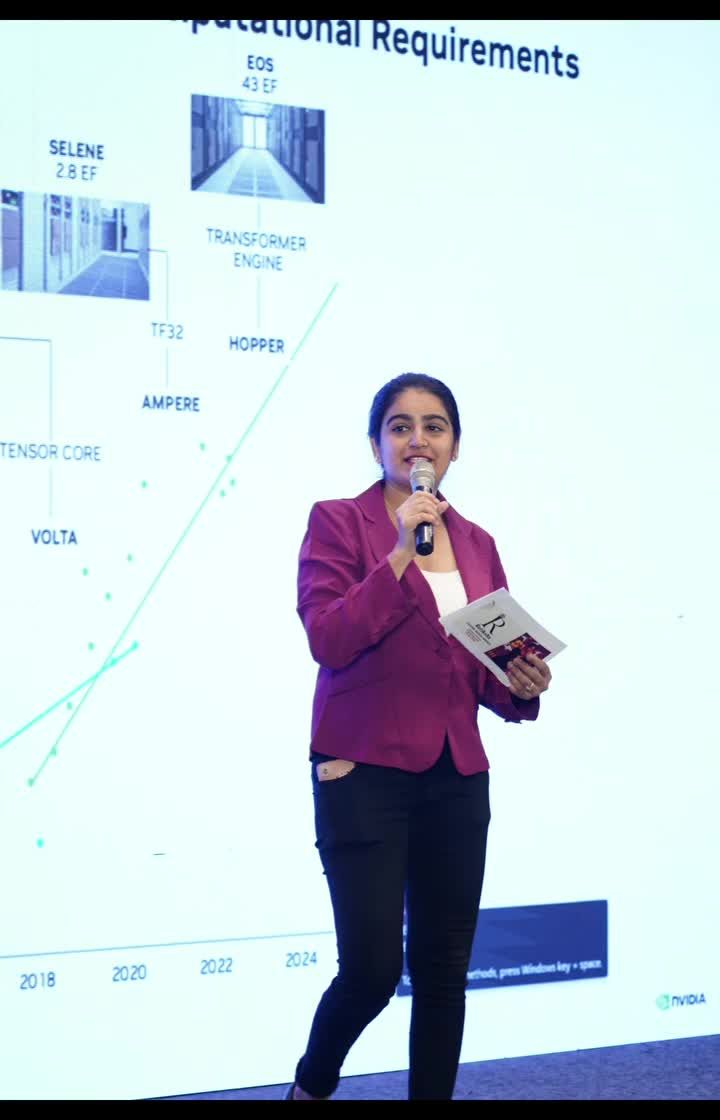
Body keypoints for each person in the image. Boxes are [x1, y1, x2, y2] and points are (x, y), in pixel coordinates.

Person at [287, 373, 552, 1101]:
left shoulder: (477, 543)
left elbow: (482, 665)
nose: (417, 440)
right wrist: (401, 551)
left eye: (434, 426)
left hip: (455, 774)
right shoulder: (338, 522)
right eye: (400, 426)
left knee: (442, 973)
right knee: (371, 970)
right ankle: (311, 1086)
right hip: (362, 769)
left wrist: (521, 684)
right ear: (376, 444)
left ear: (454, 447)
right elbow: (330, 638)